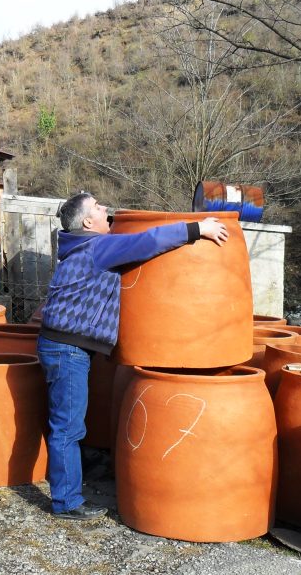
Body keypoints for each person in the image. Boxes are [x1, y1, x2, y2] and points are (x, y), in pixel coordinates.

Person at [36, 192, 229, 520]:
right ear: (88, 222)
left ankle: (72, 478)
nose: (105, 209)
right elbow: (148, 241)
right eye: (98, 207)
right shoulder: (98, 247)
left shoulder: (77, 247)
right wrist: (198, 229)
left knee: (68, 422)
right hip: (67, 349)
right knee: (67, 426)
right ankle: (66, 502)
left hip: (62, 345)